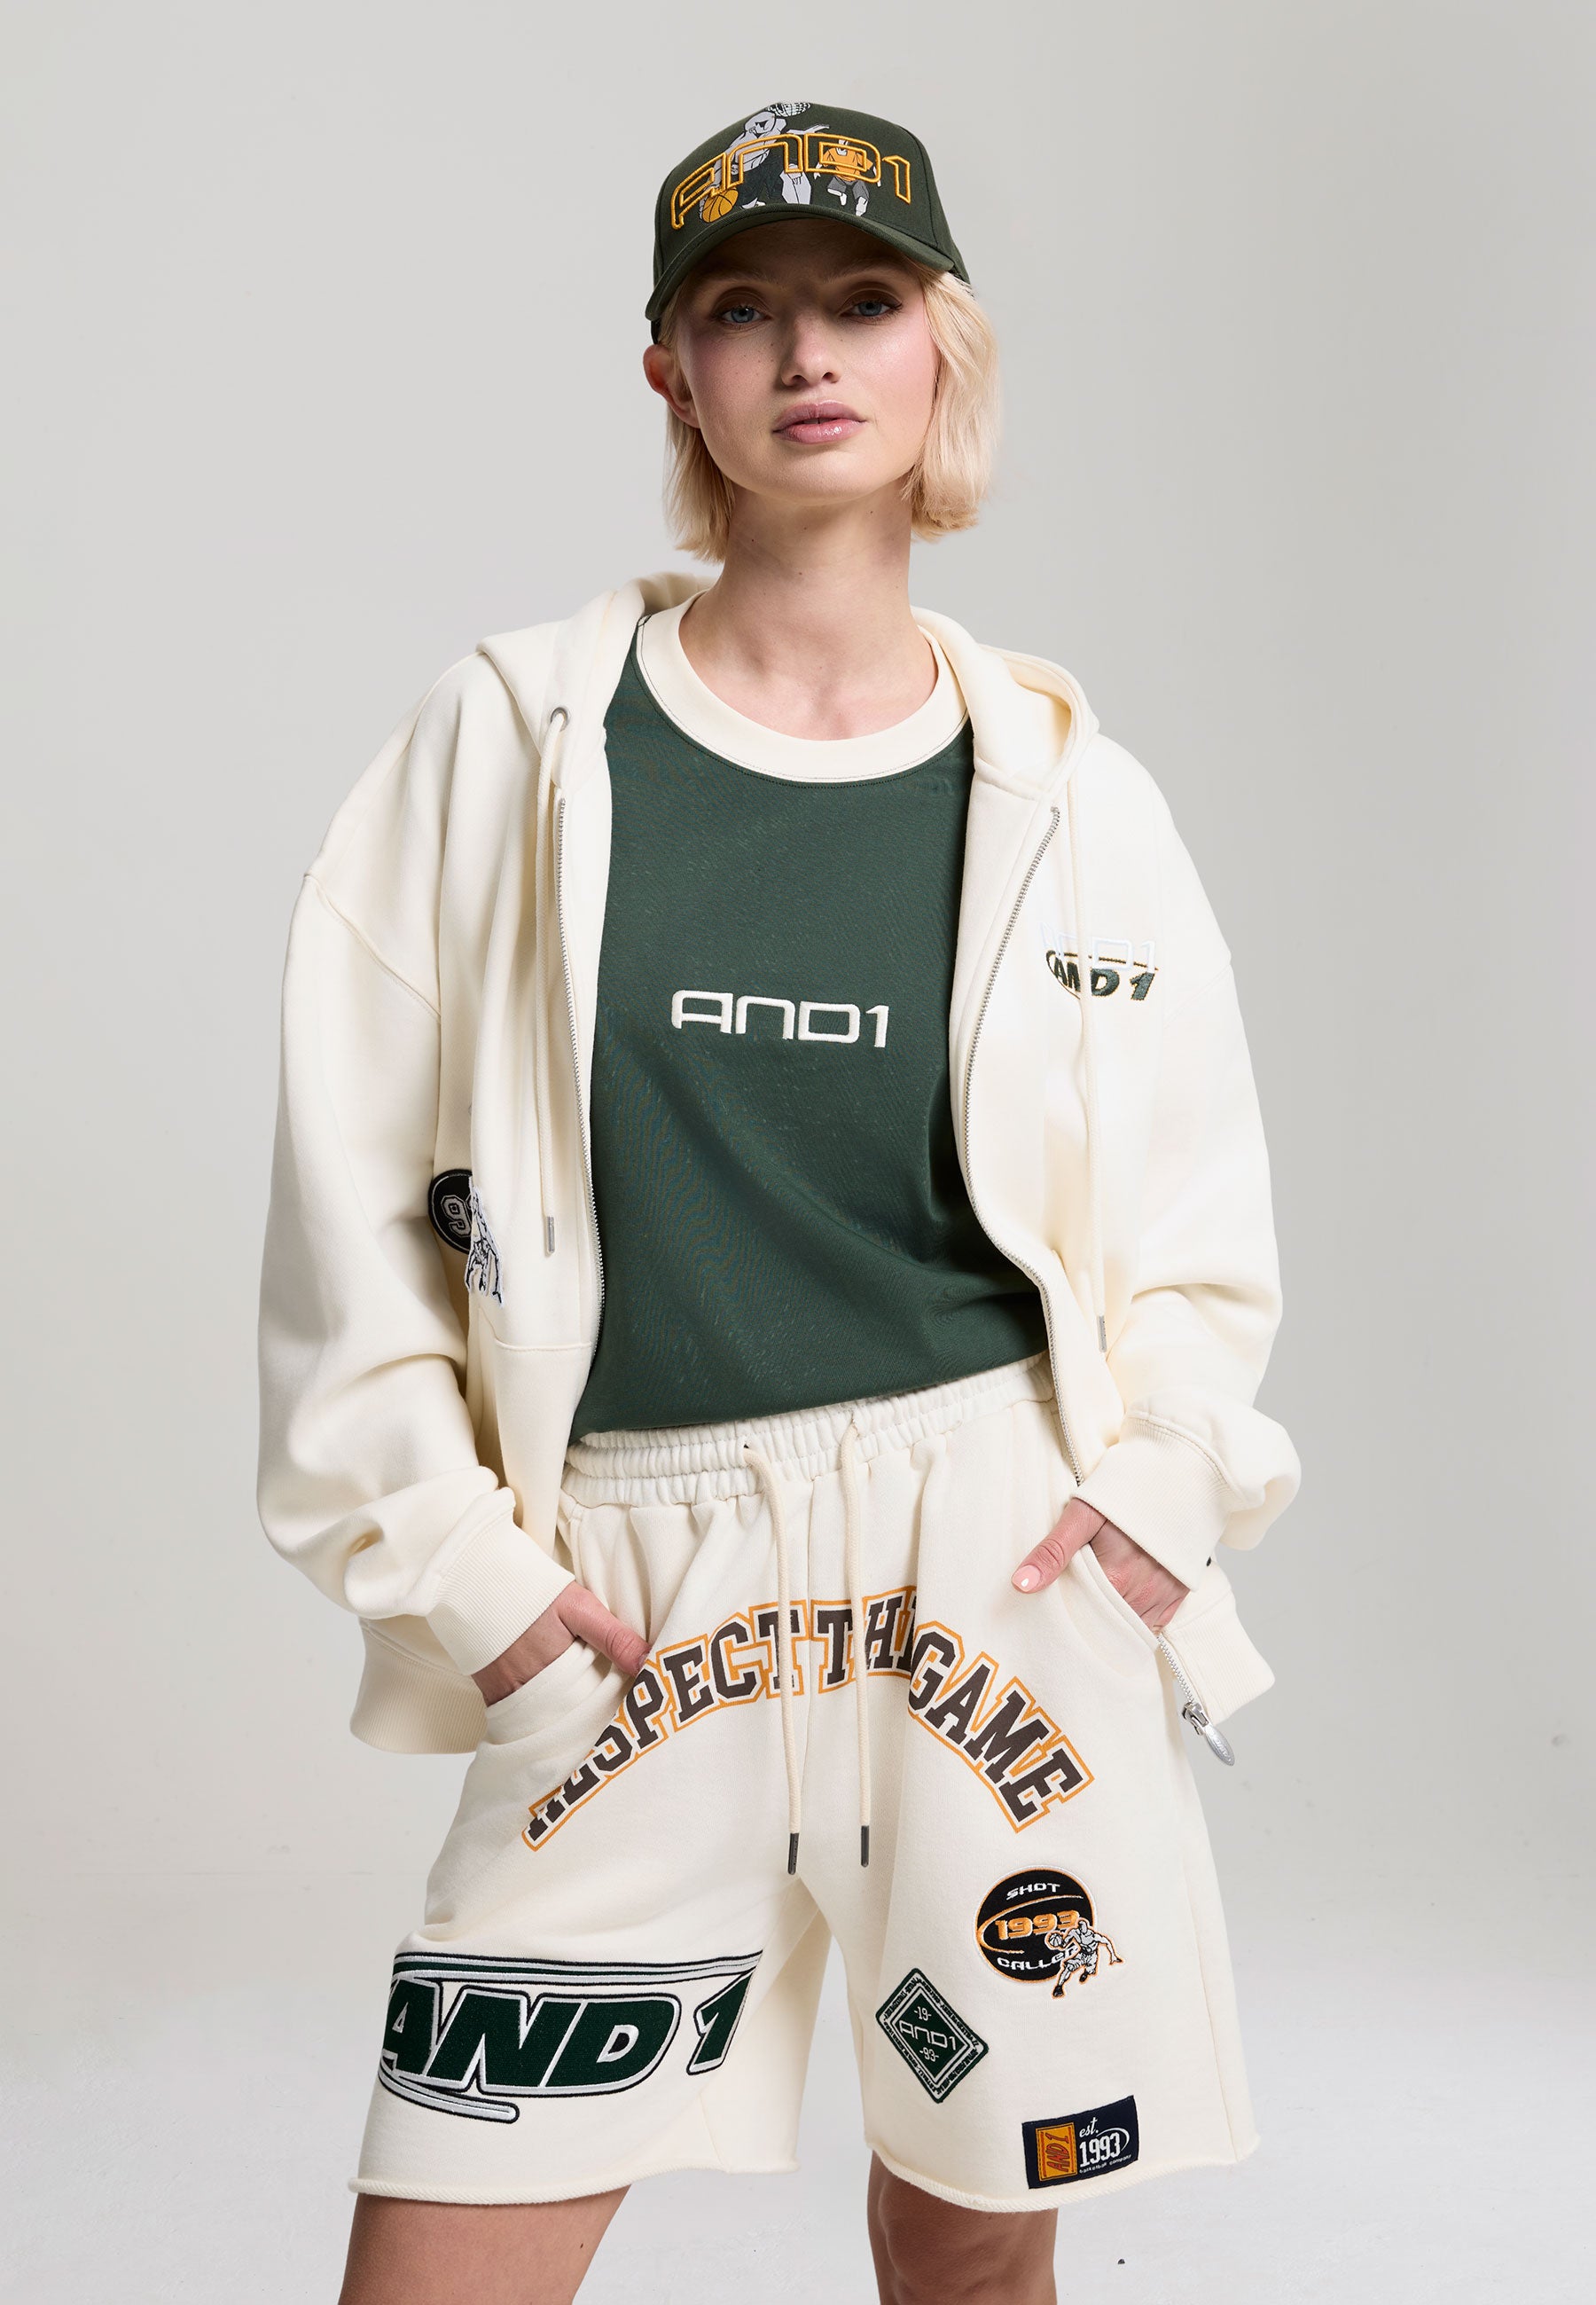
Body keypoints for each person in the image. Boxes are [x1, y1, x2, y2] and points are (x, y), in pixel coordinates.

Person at [255, 98, 1301, 2305]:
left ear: (941, 349)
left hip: (988, 1569)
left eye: (863, 300)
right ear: (674, 369)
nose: (808, 352)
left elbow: (1199, 1234)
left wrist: (1152, 1496)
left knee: (971, 2252)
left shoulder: (1076, 801)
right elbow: (348, 1209)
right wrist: (468, 1578)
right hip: (635, 1594)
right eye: (745, 309)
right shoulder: (512, 744)